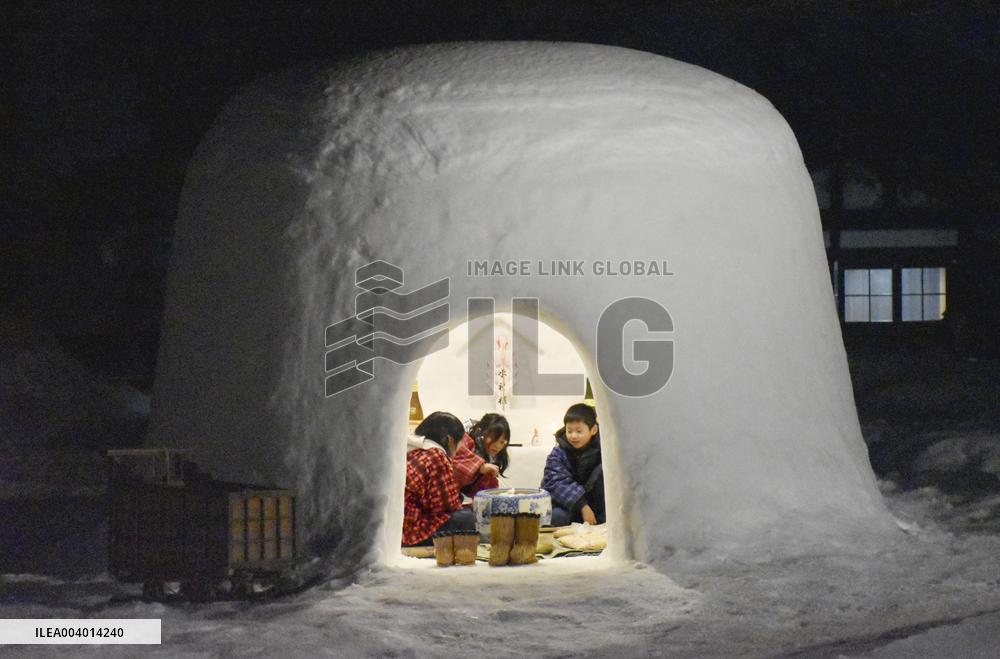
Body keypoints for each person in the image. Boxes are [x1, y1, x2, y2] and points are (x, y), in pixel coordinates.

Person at [402, 411, 476, 546]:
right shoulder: (436, 456)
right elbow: (448, 506)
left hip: (393, 529)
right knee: (466, 518)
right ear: (449, 440)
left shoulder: (409, 449)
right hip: (409, 533)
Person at [541, 403, 605, 527]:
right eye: (569, 431)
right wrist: (583, 506)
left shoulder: (604, 451)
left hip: (597, 507)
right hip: (567, 506)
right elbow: (555, 482)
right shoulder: (558, 452)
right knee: (557, 516)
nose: (573, 436)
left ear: (594, 430)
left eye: (579, 431)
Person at [452, 413, 511, 498]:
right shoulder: (464, 440)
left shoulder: (492, 459)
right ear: (480, 432)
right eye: (493, 438)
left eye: (502, 442)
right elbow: (454, 466)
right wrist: (480, 467)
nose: (497, 446)